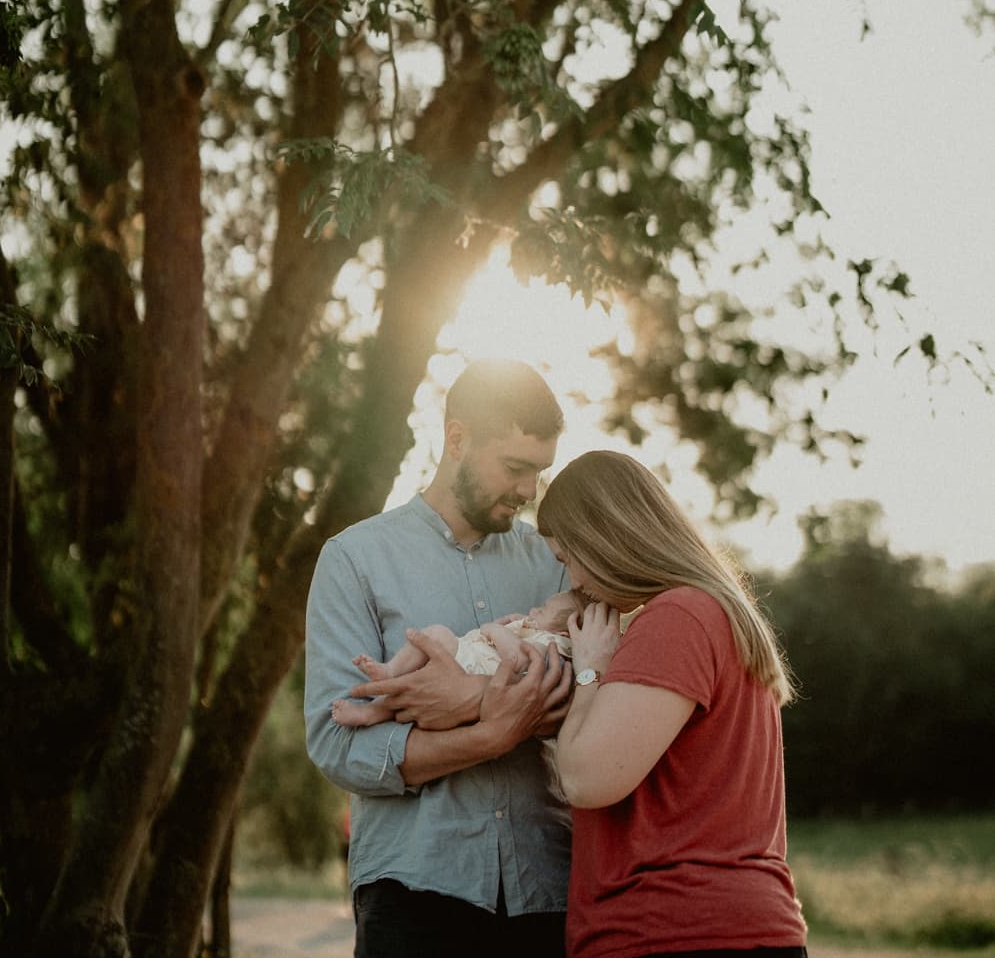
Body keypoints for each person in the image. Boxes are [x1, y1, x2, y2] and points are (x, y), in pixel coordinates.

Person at [304, 359, 574, 958]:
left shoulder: (555, 563)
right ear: (457, 440)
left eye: (539, 472)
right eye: (516, 468)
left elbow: (585, 696)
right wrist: (490, 735)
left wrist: (469, 699)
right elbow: (338, 742)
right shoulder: (354, 559)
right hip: (413, 893)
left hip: (546, 890)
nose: (529, 491)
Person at [536, 450, 808, 958]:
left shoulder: (675, 618)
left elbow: (586, 779)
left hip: (677, 929)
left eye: (567, 558)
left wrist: (591, 670)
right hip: (732, 927)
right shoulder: (713, 612)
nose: (572, 580)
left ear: (605, 537)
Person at [331, 588, 578, 728]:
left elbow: (517, 660)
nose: (533, 610)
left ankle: (377, 700)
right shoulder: (537, 633)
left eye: (542, 611)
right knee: (416, 677)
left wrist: (494, 629)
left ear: (564, 632)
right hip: (473, 661)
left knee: (436, 637)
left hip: (476, 671)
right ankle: (383, 686)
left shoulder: (553, 645)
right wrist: (505, 628)